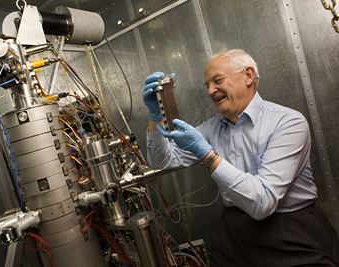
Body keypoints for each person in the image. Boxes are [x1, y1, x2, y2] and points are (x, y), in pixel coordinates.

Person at [143, 49, 339, 266]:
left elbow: (262, 203)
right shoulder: (210, 129)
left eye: (217, 81)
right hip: (234, 233)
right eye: (207, 85)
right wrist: (156, 118)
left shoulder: (288, 123)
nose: (210, 91)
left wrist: (207, 155)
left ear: (248, 76)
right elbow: (160, 161)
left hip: (289, 229)